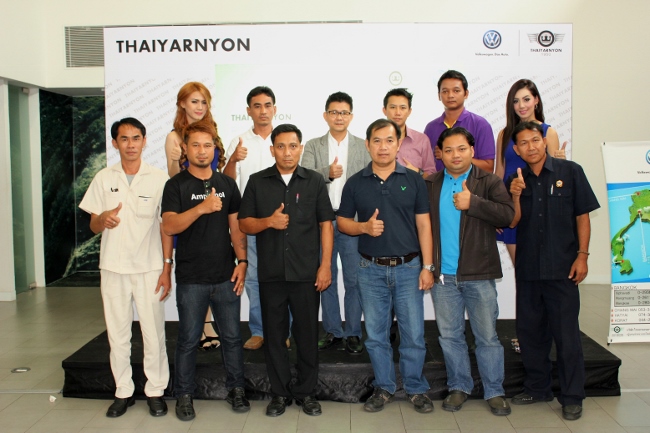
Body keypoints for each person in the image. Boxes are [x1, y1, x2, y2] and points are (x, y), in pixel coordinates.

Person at [337, 119, 435, 414]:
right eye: (377, 141)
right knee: (377, 335)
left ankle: (416, 388)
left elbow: (424, 225)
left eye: (389, 140)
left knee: (413, 334)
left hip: (409, 268)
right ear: (367, 145)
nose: (383, 146)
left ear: (398, 144)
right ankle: (384, 387)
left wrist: (428, 266)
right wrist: (363, 228)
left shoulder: (414, 180)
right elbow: (342, 222)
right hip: (370, 269)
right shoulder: (355, 182)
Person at [239, 124, 334, 417]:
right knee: (275, 337)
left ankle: (306, 393)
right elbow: (244, 223)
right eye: (280, 146)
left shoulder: (314, 181)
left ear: (300, 148)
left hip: (307, 274)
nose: (287, 152)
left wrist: (325, 266)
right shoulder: (257, 181)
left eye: (293, 146)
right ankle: (279, 393)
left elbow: (326, 225)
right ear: (272, 150)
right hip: (271, 275)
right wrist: (268, 222)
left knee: (307, 337)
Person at [79, 117, 172, 418]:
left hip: (149, 267)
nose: (130, 144)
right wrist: (102, 218)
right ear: (114, 143)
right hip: (113, 268)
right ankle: (123, 391)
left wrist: (166, 267)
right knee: (118, 334)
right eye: (124, 139)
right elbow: (93, 225)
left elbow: (166, 227)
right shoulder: (103, 178)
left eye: (136, 138)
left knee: (153, 333)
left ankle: (155, 391)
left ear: (145, 141)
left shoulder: (159, 179)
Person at [507, 122, 599, 421]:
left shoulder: (570, 172)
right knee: (530, 333)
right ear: (517, 149)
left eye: (535, 140)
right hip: (529, 269)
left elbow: (583, 216)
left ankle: (572, 396)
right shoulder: (514, 180)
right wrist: (515, 196)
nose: (531, 147)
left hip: (563, 268)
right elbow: (511, 223)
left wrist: (582, 256)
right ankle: (538, 388)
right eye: (524, 143)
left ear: (544, 142)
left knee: (567, 336)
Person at [161, 121, 250, 420]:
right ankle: (184, 395)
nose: (202, 151)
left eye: (207, 145)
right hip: (191, 279)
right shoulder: (175, 185)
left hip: (225, 276)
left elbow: (236, 228)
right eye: (196, 145)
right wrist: (202, 207)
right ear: (185, 149)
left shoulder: (227, 184)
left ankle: (236, 389)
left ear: (215, 149)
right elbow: (169, 226)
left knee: (232, 338)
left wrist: (242, 262)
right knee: (188, 340)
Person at [425, 127, 514, 416]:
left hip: (479, 274)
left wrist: (473, 203)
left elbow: (508, 215)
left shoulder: (488, 181)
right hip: (443, 277)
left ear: (472, 151)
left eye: (461, 149)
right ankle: (459, 386)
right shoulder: (430, 184)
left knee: (487, 337)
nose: (455, 155)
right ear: (440, 154)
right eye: (448, 150)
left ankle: (494, 391)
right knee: (450, 337)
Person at [302, 91, 370, 354]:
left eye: (344, 112)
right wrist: (326, 173)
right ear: (325, 115)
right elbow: (304, 177)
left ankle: (353, 332)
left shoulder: (363, 145)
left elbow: (369, 179)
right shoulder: (313, 145)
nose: (339, 117)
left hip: (351, 221)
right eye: (334, 112)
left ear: (351, 116)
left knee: (354, 279)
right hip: (323, 221)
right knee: (325, 276)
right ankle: (332, 330)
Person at [224, 86, 289, 350]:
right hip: (250, 222)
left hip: (283, 221)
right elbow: (227, 183)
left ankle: (283, 332)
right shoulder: (239, 141)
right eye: (257, 106)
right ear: (248, 111)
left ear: (275, 109)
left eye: (268, 105)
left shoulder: (283, 139)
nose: (263, 111)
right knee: (253, 278)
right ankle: (259, 331)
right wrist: (232, 160)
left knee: (285, 278)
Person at [164, 81, 223, 351]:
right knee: (194, 268)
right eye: (194, 101)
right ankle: (196, 326)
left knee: (212, 265)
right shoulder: (174, 137)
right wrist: (175, 159)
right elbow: (173, 178)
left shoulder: (212, 131)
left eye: (203, 102)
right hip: (188, 207)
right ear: (182, 104)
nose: (199, 107)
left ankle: (207, 324)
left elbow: (217, 172)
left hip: (213, 205)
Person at [495, 79, 566, 261]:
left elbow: (554, 175)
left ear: (536, 100)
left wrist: (561, 163)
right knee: (521, 270)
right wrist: (495, 210)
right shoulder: (504, 134)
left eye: (526, 99)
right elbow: (499, 174)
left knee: (542, 267)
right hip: (512, 207)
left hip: (539, 208)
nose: (521, 106)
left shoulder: (548, 132)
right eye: (516, 101)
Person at [424, 70, 495, 174]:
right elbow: (426, 167)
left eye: (456, 91)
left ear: (466, 94)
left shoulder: (480, 124)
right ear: (439, 95)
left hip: (472, 184)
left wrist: (453, 155)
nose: (450, 95)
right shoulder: (431, 128)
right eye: (445, 91)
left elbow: (488, 168)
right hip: (439, 184)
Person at [383, 88, 436, 177]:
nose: (398, 112)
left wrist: (417, 172)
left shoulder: (422, 140)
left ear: (409, 111)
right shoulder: (375, 139)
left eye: (403, 108)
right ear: (384, 110)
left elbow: (432, 176)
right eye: (393, 107)